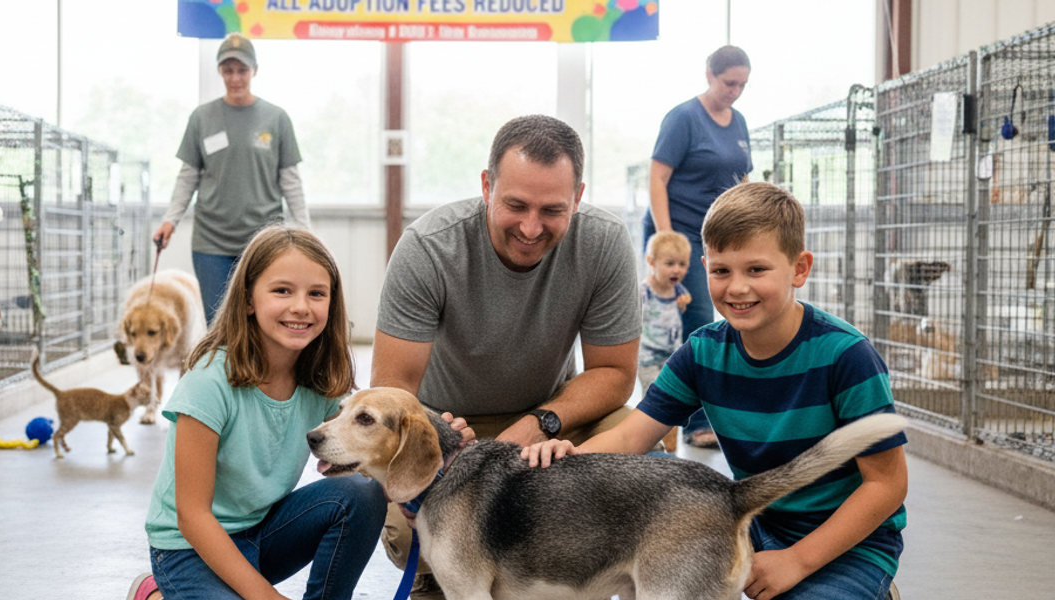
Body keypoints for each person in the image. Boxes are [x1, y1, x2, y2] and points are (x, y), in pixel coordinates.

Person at [524, 182, 909, 600]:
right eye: (721, 271)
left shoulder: (847, 356)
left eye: (756, 270)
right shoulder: (703, 351)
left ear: (799, 268)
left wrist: (796, 560)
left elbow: (887, 485)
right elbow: (631, 437)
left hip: (846, 543)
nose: (737, 287)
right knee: (643, 476)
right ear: (704, 267)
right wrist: (570, 459)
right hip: (750, 518)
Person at [372, 114, 642, 599]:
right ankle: (445, 569)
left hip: (549, 416)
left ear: (578, 198)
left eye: (553, 210)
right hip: (450, 428)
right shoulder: (428, 248)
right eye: (515, 204)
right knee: (405, 530)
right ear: (486, 187)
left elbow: (615, 373)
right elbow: (394, 394)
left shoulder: (604, 241)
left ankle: (559, 570)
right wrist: (448, 441)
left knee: (635, 438)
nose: (531, 227)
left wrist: (541, 424)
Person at [128, 226, 384, 600]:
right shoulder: (209, 380)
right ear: (248, 299)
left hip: (262, 533)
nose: (301, 306)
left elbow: (372, 434)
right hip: (187, 550)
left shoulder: (322, 375)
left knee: (363, 493)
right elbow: (192, 516)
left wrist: (436, 437)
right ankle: (154, 594)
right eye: (282, 290)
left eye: (316, 293)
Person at [153, 33, 311, 326]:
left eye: (242, 70)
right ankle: (225, 374)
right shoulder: (202, 118)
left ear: (254, 70)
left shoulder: (276, 118)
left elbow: (291, 181)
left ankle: (260, 374)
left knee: (264, 321)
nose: (235, 78)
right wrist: (170, 220)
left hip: (263, 241)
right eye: (228, 70)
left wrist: (304, 231)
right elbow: (188, 176)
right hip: (211, 242)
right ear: (220, 72)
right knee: (220, 324)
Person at [644, 44, 754, 448]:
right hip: (681, 235)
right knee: (697, 321)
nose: (735, 91)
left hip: (719, 235)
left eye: (742, 85)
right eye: (729, 83)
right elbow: (658, 179)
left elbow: (741, 180)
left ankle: (716, 414)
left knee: (725, 318)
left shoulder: (738, 121)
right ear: (710, 74)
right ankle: (690, 423)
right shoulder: (684, 118)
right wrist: (667, 241)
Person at [639, 230, 692, 452]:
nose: (677, 270)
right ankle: (652, 450)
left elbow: (684, 297)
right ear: (652, 262)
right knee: (655, 403)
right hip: (648, 358)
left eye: (682, 264)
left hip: (671, 358)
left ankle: (669, 450)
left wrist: (685, 300)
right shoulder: (644, 291)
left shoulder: (677, 289)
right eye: (670, 263)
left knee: (673, 402)